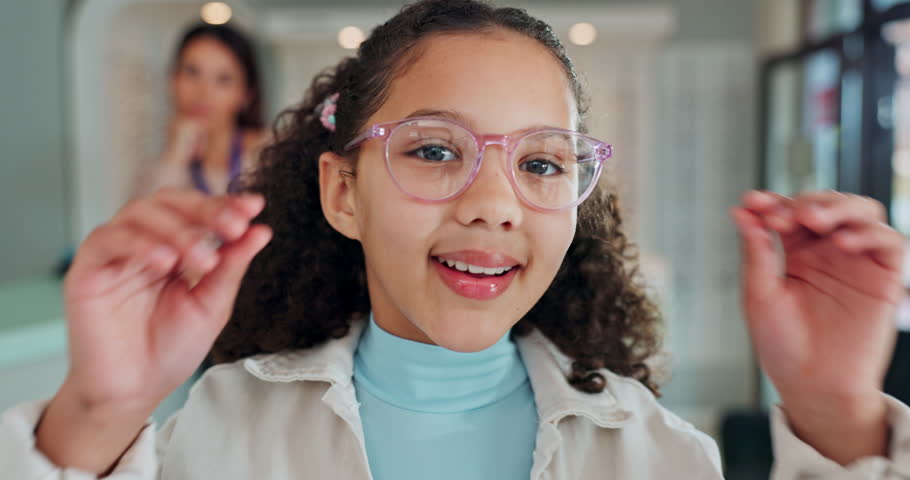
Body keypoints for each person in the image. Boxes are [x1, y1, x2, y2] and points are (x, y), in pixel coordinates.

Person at [3, 1, 909, 478]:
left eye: (544, 164)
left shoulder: (659, 455)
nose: (496, 204)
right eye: (435, 150)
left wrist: (838, 420)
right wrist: (94, 413)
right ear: (343, 192)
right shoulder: (222, 429)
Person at [133, 22, 268, 197]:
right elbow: (142, 222)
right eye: (192, 72)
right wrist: (175, 156)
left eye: (223, 79)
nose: (203, 92)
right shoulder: (157, 169)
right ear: (173, 80)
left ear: (246, 94)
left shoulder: (267, 156)